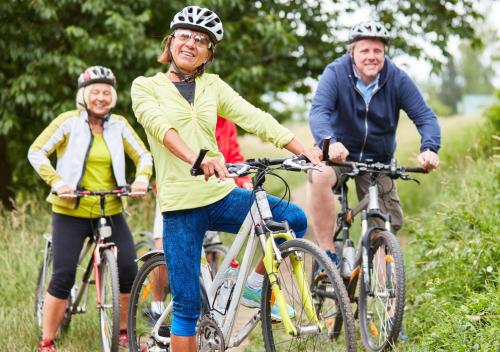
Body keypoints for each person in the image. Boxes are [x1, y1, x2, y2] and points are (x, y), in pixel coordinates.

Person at [131, 6, 322, 352]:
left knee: (292, 218)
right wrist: (197, 158)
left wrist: (300, 147)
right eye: (185, 36)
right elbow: (161, 128)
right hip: (180, 205)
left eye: (200, 40)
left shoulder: (212, 85)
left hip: (219, 195)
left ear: (208, 53)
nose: (191, 44)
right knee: (188, 307)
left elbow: (253, 116)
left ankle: (251, 286)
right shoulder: (146, 87)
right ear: (171, 41)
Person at [306, 20, 441, 340]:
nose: (371, 56)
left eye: (377, 50)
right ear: (352, 52)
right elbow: (319, 111)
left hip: (378, 161)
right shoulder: (336, 73)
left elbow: (424, 116)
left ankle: (390, 311)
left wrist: (429, 148)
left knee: (382, 232)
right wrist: (329, 141)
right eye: (365, 49)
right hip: (340, 155)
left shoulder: (396, 78)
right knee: (318, 173)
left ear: (384, 54)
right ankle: (328, 254)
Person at [28, 66, 153, 351]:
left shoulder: (119, 124)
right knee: (63, 275)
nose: (101, 97)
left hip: (109, 207)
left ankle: (122, 332)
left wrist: (142, 178)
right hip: (70, 211)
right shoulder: (68, 122)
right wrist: (57, 182)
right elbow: (36, 152)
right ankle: (47, 340)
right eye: (95, 92)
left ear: (113, 96)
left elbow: (143, 154)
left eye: (106, 92)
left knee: (126, 269)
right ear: (83, 96)